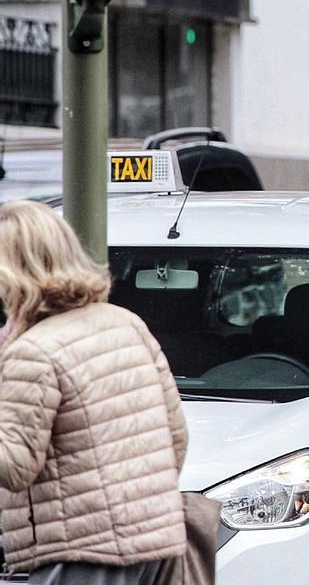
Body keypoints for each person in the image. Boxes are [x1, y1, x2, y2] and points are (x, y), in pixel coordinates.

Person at [0, 200, 188, 584]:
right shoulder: (124, 323)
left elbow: (15, 466)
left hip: (79, 551)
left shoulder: (33, 351)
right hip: (151, 542)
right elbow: (176, 436)